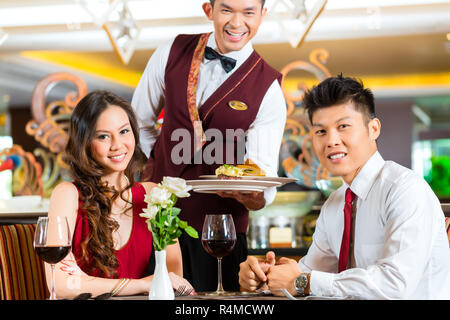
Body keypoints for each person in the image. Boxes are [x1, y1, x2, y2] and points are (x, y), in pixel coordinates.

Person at [238, 75, 450, 299]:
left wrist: (302, 281)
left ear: (373, 128)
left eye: (343, 126)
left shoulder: (405, 189)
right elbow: (310, 274)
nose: (331, 140)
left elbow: (394, 285)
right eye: (320, 131)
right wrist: (265, 277)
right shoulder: (335, 203)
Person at [131, 0, 287, 292]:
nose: (237, 23)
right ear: (209, 10)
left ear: (263, 15)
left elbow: (263, 177)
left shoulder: (269, 89)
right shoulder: (171, 51)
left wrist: (248, 193)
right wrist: (159, 160)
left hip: (219, 234)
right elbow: (139, 121)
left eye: (249, 12)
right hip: (160, 226)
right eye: (227, 10)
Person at [44, 90, 194, 299]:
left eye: (124, 132)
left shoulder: (154, 195)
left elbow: (173, 278)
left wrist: (148, 285)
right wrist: (140, 285)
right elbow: (60, 283)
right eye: (103, 136)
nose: (117, 145)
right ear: (85, 142)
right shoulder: (67, 195)